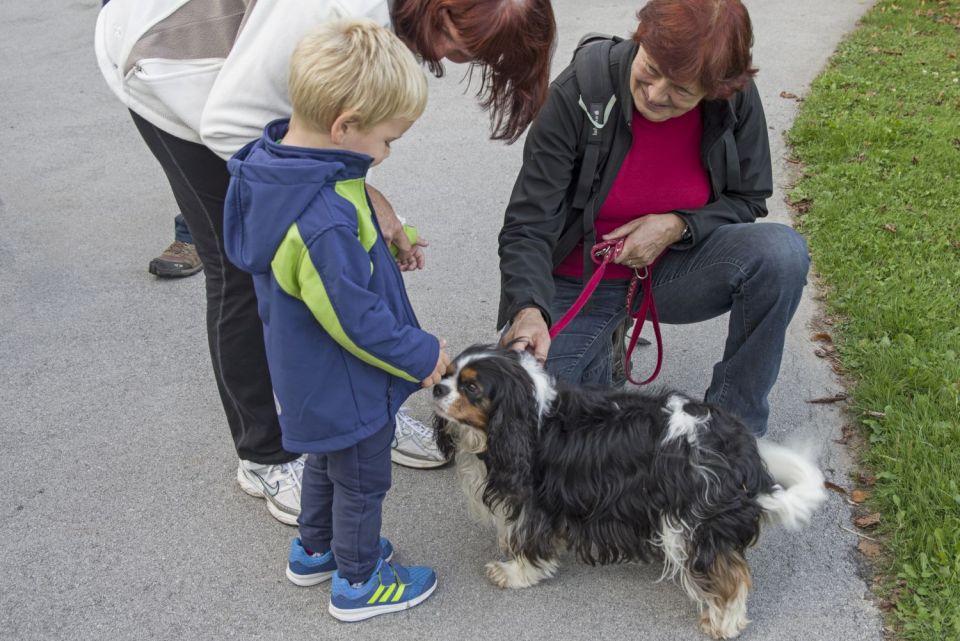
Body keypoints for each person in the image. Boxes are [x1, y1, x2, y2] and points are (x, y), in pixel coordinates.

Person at [94, 0, 556, 523]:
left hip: (267, 96)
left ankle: (368, 417)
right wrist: (348, 196)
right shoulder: (324, 7)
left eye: (469, 57)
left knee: (348, 254)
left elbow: (325, 141)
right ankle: (264, 454)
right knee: (245, 274)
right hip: (172, 75)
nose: (448, 57)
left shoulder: (365, 39)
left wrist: (365, 200)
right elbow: (229, 124)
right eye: (456, 40)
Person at [498, 0, 810, 437]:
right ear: (639, 39)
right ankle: (602, 348)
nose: (656, 93)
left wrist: (678, 225)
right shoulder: (579, 93)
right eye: (652, 68)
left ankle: (735, 432)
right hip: (575, 282)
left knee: (781, 254)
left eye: (683, 90)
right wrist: (529, 309)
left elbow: (749, 198)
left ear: (716, 90)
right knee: (531, 422)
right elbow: (528, 224)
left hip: (670, 274)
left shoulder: (734, 102)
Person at [223, 19, 448, 619]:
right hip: (342, 380)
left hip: (311, 380)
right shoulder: (320, 216)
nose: (386, 153)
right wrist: (423, 354)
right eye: (387, 140)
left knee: (326, 462)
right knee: (362, 480)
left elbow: (348, 248)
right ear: (345, 126)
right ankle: (359, 580)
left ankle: (315, 549)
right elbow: (352, 319)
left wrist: (398, 239)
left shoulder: (289, 172)